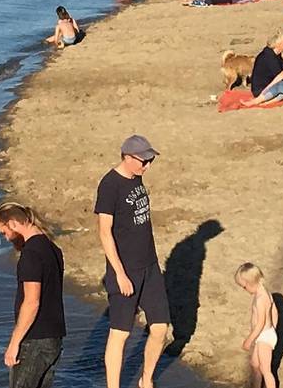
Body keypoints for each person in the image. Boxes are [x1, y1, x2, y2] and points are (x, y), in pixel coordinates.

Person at [95, 135, 169, 388]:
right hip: (125, 270)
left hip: (150, 266)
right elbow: (105, 232)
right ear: (127, 157)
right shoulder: (109, 185)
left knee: (160, 328)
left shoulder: (136, 178)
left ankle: (146, 381)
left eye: (150, 161)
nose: (147, 166)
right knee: (120, 333)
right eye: (144, 161)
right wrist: (120, 274)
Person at [0, 202, 66, 388]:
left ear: (12, 223)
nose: (7, 238)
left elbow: (32, 302)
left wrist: (14, 343)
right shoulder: (53, 249)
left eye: (4, 232)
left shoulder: (31, 255)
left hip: (35, 338)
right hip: (54, 336)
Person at [235, 263, 278, 388]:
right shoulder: (265, 293)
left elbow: (260, 323)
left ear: (250, 283)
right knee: (255, 364)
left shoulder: (260, 299)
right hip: (264, 334)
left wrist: (248, 340)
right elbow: (274, 311)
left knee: (266, 370)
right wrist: (274, 327)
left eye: (244, 287)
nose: (244, 290)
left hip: (264, 336)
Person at [249, 33, 283, 98]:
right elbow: (279, 75)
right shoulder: (269, 57)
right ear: (277, 44)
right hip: (261, 90)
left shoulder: (276, 54)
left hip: (270, 85)